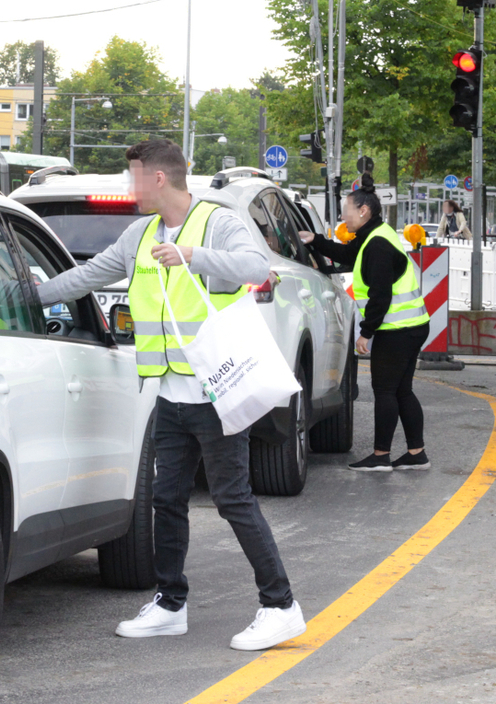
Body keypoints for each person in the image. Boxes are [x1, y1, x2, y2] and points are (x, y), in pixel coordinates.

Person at [37, 139, 306, 651]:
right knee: (166, 499)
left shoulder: (217, 220)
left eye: (133, 177)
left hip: (216, 391)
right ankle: (170, 603)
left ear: (158, 178)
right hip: (171, 393)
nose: (129, 188)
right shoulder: (140, 234)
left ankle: (280, 605)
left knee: (232, 498)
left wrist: (192, 256)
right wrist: (28, 294)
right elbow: (90, 274)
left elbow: (256, 268)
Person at [299, 173, 431, 472]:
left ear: (363, 211)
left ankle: (381, 456)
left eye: (346, 210)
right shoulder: (375, 235)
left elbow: (381, 296)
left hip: (397, 329)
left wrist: (365, 332)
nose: (343, 217)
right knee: (401, 390)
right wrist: (316, 241)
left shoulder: (378, 246)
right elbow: (346, 253)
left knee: (385, 391)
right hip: (411, 326)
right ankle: (416, 454)